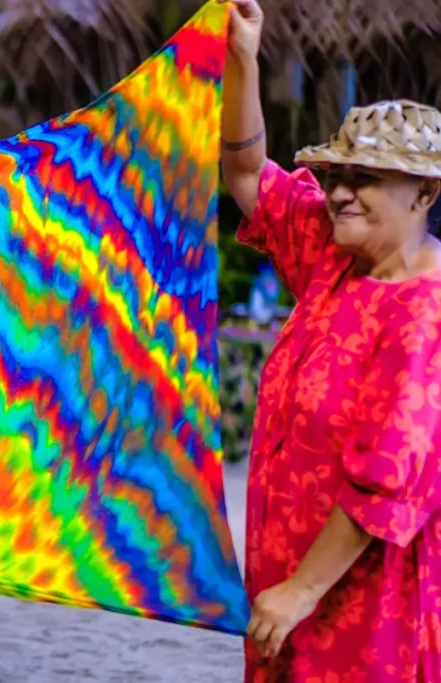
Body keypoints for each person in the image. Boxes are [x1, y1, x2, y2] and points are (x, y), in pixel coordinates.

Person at [220, 0, 441, 680]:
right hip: (286, 599)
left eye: (364, 178)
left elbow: (383, 487)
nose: (339, 192)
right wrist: (242, 57)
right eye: (336, 175)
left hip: (360, 612)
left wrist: (300, 592)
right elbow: (248, 177)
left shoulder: (425, 314)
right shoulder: (333, 254)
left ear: (425, 194)